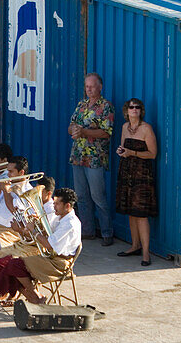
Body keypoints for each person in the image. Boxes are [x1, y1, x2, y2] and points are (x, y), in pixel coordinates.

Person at [0, 188, 83, 303]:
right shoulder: (60, 217)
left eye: (57, 204)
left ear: (67, 206)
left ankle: (34, 296)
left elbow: (48, 244)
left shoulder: (70, 223)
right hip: (51, 257)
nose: (54, 206)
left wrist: (34, 231)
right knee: (12, 264)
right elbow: (45, 235)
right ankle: (32, 296)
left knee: (14, 265)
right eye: (54, 203)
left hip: (59, 263)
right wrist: (31, 226)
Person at [68, 73, 115, 245]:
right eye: (87, 86)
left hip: (95, 157)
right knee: (81, 195)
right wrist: (73, 130)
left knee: (98, 196)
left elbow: (106, 132)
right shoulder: (81, 105)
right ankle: (87, 230)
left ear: (100, 87)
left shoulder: (106, 107)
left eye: (92, 86)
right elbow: (71, 125)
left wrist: (84, 132)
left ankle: (106, 232)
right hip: (78, 156)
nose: (89, 89)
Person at [115, 99, 159, 266]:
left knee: (141, 214)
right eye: (131, 107)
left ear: (141, 110)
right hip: (127, 172)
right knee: (131, 212)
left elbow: (153, 153)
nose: (134, 110)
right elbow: (122, 146)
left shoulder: (146, 129)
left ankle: (146, 253)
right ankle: (135, 246)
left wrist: (132, 152)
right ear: (126, 111)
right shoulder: (124, 127)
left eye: (137, 107)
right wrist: (122, 151)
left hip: (142, 175)